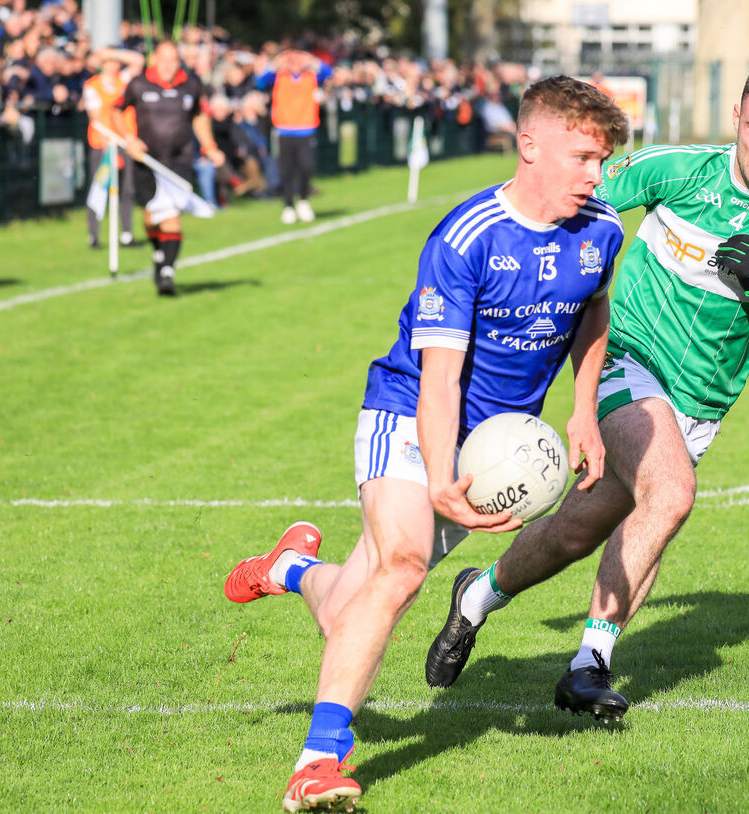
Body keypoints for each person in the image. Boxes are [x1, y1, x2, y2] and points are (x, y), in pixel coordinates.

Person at [222, 75, 629, 811]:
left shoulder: (601, 230)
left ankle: (289, 568)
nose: (596, 176)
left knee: (349, 609)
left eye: (602, 160)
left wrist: (583, 410)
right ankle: (318, 762)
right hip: (410, 414)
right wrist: (440, 476)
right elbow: (438, 378)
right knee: (404, 568)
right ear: (529, 145)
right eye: (583, 158)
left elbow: (591, 314)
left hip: (491, 445)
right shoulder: (467, 237)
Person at [424, 61, 749, 723]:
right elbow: (566, 200)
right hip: (626, 360)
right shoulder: (675, 170)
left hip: (700, 406)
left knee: (574, 533)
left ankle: (475, 598)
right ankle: (588, 666)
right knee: (671, 495)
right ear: (736, 116)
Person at [112, 40, 223, 296]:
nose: (168, 66)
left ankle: (167, 272)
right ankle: (159, 254)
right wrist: (129, 139)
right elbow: (116, 111)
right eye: (164, 59)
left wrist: (209, 147)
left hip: (178, 161)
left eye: (173, 60)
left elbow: (200, 116)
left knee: (171, 213)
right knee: (152, 216)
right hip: (146, 160)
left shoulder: (191, 85)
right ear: (155, 60)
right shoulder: (138, 84)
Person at [260, 48, 330, 224]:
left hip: (306, 129)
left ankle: (304, 199)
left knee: (306, 166)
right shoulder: (278, 76)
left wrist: (311, 60)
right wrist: (277, 63)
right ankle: (288, 205)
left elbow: (329, 72)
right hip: (284, 130)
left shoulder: (311, 76)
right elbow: (259, 81)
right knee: (286, 170)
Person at [82, 47, 142, 250]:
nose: (113, 64)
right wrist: (108, 146)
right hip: (103, 145)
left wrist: (111, 52)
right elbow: (96, 120)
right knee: (99, 188)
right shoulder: (92, 86)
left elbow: (137, 61)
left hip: (125, 142)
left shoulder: (123, 81)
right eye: (108, 61)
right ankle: (94, 236)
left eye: (115, 61)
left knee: (127, 189)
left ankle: (126, 234)